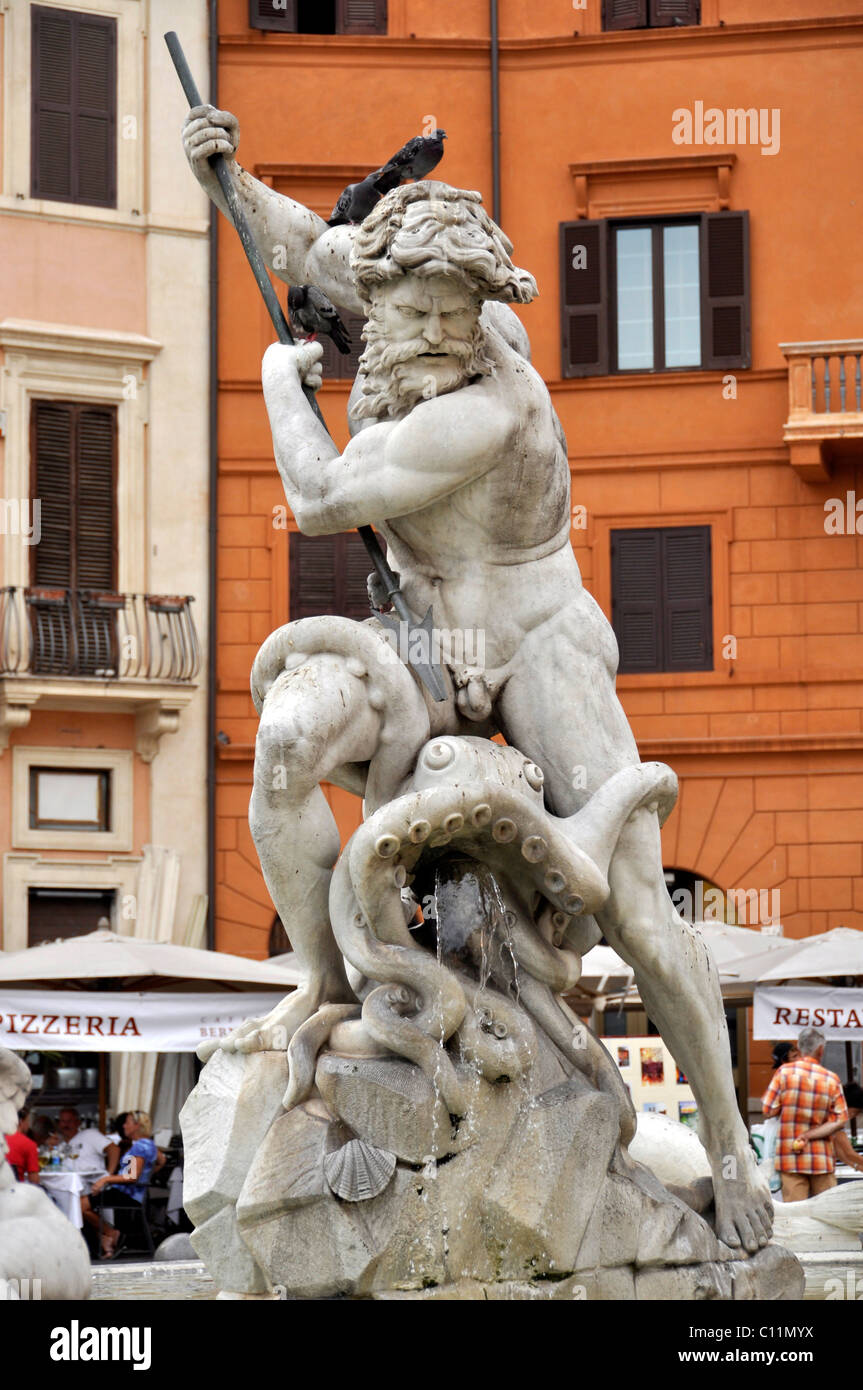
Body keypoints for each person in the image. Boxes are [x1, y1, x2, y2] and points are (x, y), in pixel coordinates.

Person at [178, 108, 775, 1256]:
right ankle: (317, 979)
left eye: (465, 315)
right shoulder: (386, 279)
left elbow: (317, 500)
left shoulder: (487, 400)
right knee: (287, 748)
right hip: (412, 638)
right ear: (382, 302)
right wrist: (228, 178)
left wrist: (269, 379)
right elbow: (307, 247)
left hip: (535, 637)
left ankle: (731, 1143)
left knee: (642, 909)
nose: (446, 333)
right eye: (420, 316)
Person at [762, 1027, 849, 1201]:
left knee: (796, 1217)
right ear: (821, 1049)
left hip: (790, 1158)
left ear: (800, 1049)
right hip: (821, 1159)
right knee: (827, 1215)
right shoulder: (831, 1079)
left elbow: (767, 1110)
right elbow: (840, 1120)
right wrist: (809, 1135)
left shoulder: (783, 1073)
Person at [82, 1111, 158, 1259]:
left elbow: (131, 1176)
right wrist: (147, 1175)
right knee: (85, 1202)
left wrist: (105, 1179)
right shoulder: (149, 1144)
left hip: (127, 1194)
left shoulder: (140, 1147)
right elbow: (161, 1161)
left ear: (137, 1126)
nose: (124, 1126)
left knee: (81, 1204)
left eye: (128, 1122)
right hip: (134, 1193)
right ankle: (108, 1239)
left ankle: (111, 1234)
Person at [793, 1081, 863, 1175]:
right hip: (814, 1164)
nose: (852, 1116)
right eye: (854, 1112)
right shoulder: (835, 1121)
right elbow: (849, 1153)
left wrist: (858, 1167)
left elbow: (841, 1154)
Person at [758, 1042, 801, 1194]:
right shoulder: (782, 1074)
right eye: (794, 1055)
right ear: (784, 1060)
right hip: (785, 1131)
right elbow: (769, 1111)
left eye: (798, 1053)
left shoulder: (797, 1072)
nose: (798, 1056)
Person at [51, 1107, 110, 1180]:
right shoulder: (59, 1143)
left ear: (78, 1122)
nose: (66, 1125)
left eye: (69, 1121)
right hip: (65, 1185)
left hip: (92, 1186)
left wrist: (108, 1176)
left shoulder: (90, 1134)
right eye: (63, 1121)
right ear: (59, 1123)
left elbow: (114, 1150)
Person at [4, 1107, 39, 1184]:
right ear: (21, 1121)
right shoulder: (29, 1144)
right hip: (15, 1189)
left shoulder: (2, 1138)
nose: (28, 1125)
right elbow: (34, 1179)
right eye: (28, 1121)